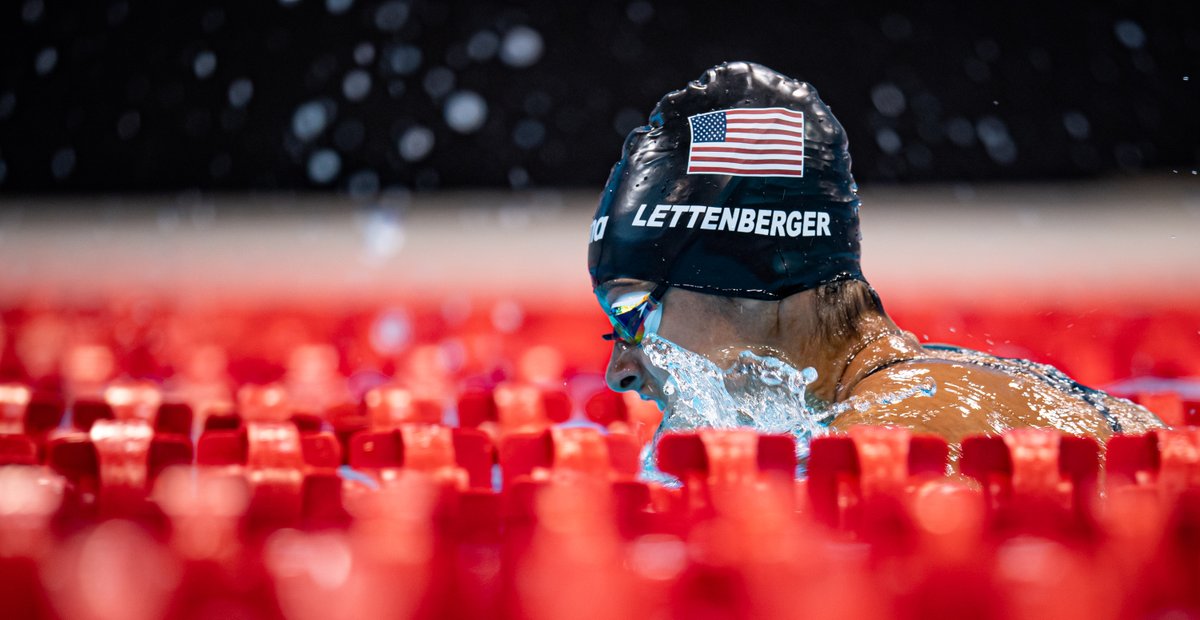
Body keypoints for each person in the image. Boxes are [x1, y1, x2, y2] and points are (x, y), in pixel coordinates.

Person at [587, 61, 1163, 452]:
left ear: (746, 281)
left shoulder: (894, 435)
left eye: (634, 314)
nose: (619, 373)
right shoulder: (962, 389)